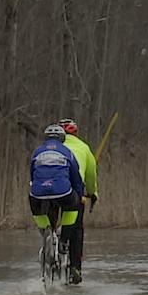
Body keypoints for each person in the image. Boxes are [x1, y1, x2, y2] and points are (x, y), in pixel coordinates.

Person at [29, 124, 85, 283]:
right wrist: (80, 195)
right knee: (73, 206)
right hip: (63, 191)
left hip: (38, 192)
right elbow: (76, 179)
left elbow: (32, 176)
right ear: (62, 138)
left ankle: (46, 230)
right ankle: (64, 240)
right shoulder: (68, 152)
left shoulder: (37, 152)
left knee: (36, 208)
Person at [57, 118, 99, 284]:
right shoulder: (84, 148)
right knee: (77, 228)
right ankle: (75, 268)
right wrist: (92, 193)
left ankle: (50, 242)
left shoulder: (52, 146)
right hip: (73, 192)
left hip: (47, 190)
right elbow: (90, 176)